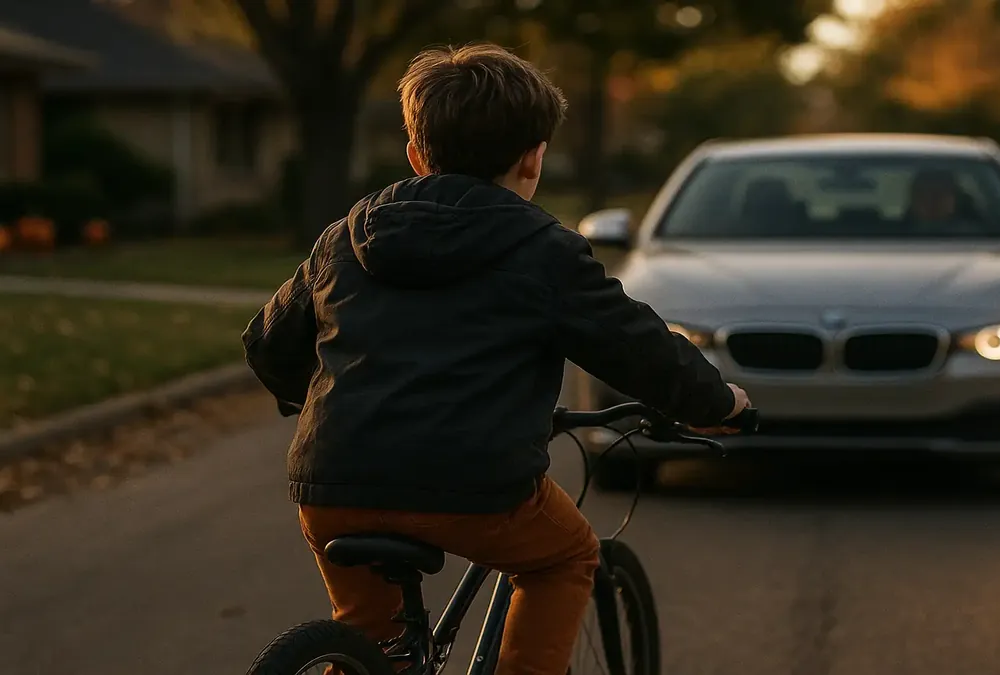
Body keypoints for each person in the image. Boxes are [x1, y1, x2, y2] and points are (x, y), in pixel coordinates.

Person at [241, 43, 750, 675]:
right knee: (566, 557)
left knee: (374, 646)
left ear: (416, 153)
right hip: (477, 488)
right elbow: (637, 346)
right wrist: (718, 402)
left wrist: (323, 403)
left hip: (333, 482)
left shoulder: (347, 234)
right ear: (534, 156)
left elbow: (268, 345)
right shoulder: (545, 250)